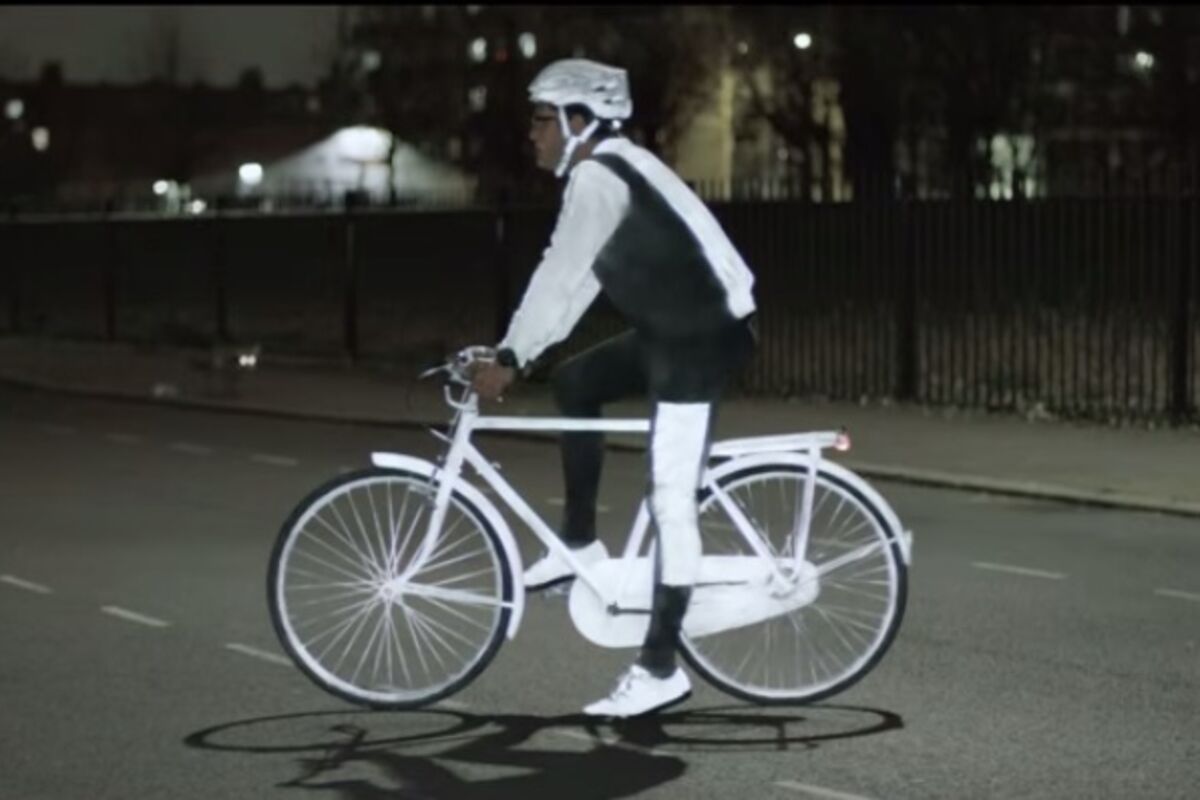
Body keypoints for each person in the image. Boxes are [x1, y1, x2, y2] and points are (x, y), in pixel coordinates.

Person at [470, 58, 757, 718]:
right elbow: (577, 285)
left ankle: (660, 670)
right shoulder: (614, 169)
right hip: (673, 331)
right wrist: (522, 352)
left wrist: (511, 356)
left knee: (670, 500)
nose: (533, 134)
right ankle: (578, 543)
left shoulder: (601, 176)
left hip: (699, 340)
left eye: (542, 120)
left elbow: (560, 273)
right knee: (576, 382)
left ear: (580, 121)